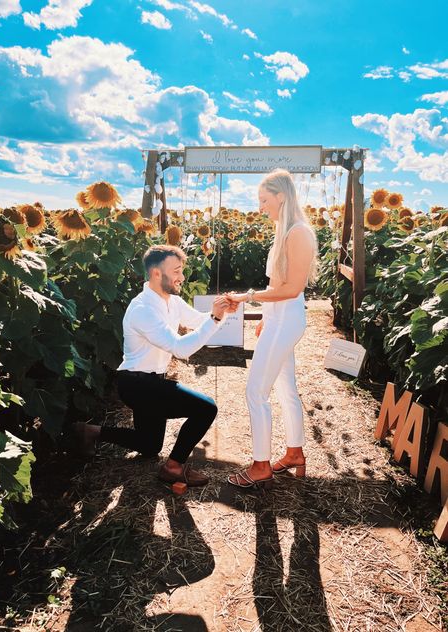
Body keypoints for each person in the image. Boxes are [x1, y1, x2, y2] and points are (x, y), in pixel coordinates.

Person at [74, 244, 236, 487]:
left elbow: (200, 322)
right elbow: (181, 348)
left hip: (152, 381)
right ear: (156, 274)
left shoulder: (172, 301)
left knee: (149, 445)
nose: (182, 277)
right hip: (136, 384)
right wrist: (214, 319)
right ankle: (173, 467)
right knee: (206, 409)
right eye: (177, 271)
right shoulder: (142, 310)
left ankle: (91, 432)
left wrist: (221, 313)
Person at [226, 169, 317, 490]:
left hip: (287, 320)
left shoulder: (299, 233)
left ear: (282, 196)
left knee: (255, 392)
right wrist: (265, 315)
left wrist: (245, 297)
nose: (260, 207)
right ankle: (294, 453)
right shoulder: (285, 230)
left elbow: (292, 289)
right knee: (285, 389)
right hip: (278, 320)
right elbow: (276, 283)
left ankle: (261, 465)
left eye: (264, 200)